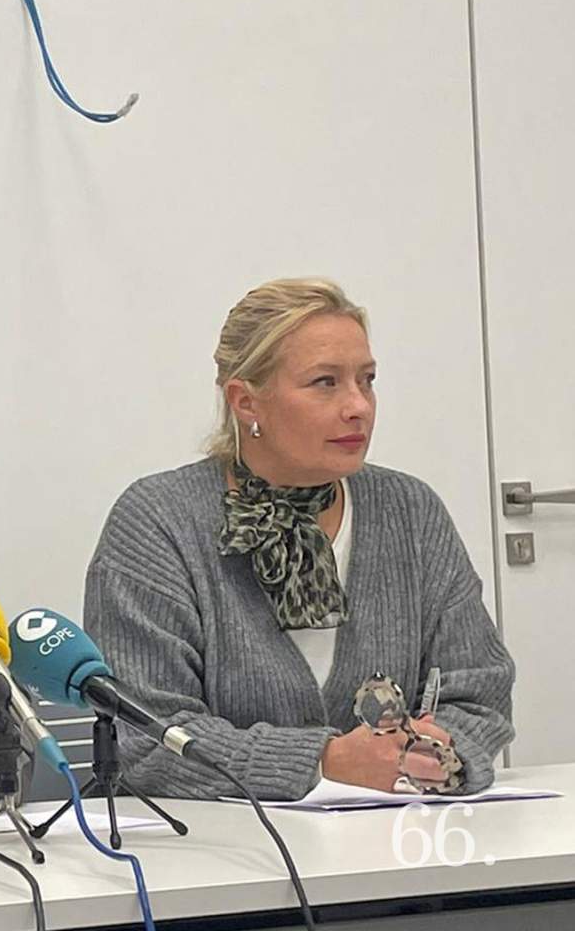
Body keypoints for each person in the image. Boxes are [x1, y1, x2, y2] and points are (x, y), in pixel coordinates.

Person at [84, 278, 514, 799]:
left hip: (402, 835)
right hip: (219, 853)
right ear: (246, 402)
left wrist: (435, 753)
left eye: (367, 380)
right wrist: (326, 762)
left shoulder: (409, 510)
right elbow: (147, 737)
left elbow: (480, 693)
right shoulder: (157, 521)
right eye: (325, 383)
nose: (359, 406)